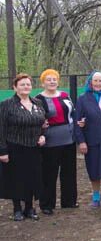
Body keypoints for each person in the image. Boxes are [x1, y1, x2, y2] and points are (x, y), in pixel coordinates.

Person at [0, 74, 47, 221]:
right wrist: (2, 151)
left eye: (28, 84)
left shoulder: (38, 103)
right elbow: (1, 128)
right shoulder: (7, 104)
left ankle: (29, 208)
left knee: (32, 178)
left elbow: (42, 124)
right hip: (15, 147)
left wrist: (42, 135)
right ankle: (17, 209)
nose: (26, 87)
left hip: (34, 148)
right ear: (15, 87)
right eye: (22, 84)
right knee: (16, 178)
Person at [35, 69, 78, 215]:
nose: (52, 82)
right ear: (43, 82)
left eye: (54, 79)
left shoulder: (65, 95)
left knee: (69, 171)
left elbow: (73, 113)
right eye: (49, 79)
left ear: (58, 81)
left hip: (69, 138)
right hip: (50, 140)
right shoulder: (38, 99)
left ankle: (69, 201)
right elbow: (36, 119)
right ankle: (47, 204)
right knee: (49, 173)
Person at [74, 71, 101, 208]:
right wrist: (81, 141)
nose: (98, 83)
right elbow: (77, 122)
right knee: (94, 169)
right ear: (90, 82)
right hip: (91, 141)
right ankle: (96, 197)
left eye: (100, 81)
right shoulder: (83, 98)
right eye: (95, 81)